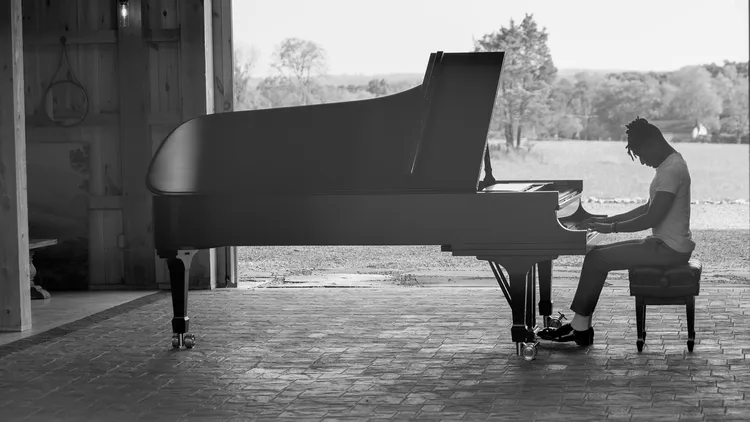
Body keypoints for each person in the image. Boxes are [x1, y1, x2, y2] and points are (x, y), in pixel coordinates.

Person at [539, 116, 696, 345]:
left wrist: (612, 227)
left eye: (641, 154)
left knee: (597, 259)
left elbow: (652, 217)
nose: (642, 161)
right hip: (665, 244)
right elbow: (647, 208)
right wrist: (609, 220)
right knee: (595, 257)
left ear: (653, 143)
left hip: (669, 249)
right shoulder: (670, 165)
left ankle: (580, 329)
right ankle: (581, 326)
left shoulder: (672, 170)